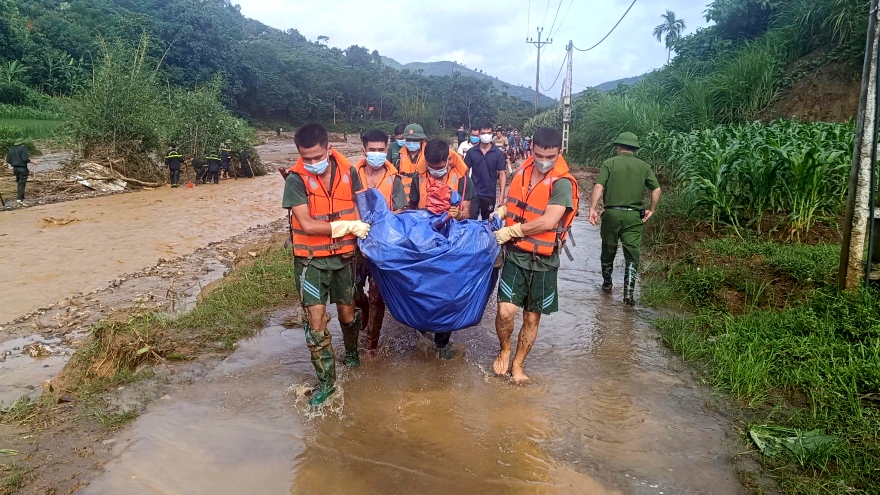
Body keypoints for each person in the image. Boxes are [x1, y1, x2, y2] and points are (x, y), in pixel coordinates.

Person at [283, 123, 371, 406]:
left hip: (344, 258)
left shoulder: (350, 172)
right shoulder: (295, 180)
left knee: (347, 314)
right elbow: (307, 223)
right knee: (316, 321)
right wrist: (345, 226)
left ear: (329, 150)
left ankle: (352, 353)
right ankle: (327, 384)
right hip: (310, 261)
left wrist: (362, 228)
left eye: (316, 157)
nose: (311, 164)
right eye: (305, 158)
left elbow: (362, 210)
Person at [492, 126, 579, 383]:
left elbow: (549, 220)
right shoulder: (524, 170)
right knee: (505, 311)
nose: (544, 161)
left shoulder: (563, 183)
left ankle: (518, 364)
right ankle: (505, 348)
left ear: (559, 153)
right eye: (540, 155)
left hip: (543, 259)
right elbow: (517, 203)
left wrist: (513, 230)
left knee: (531, 317)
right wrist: (503, 211)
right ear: (532, 149)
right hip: (516, 254)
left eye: (550, 157)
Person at [408, 139, 476, 359]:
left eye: (440, 166)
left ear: (448, 159)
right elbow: (412, 209)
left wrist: (459, 213)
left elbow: (468, 213)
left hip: (452, 245)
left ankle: (442, 342)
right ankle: (422, 330)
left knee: (448, 293)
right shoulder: (419, 179)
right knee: (422, 288)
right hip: (425, 243)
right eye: (432, 167)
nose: (436, 171)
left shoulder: (463, 180)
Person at [589, 132, 661, 306]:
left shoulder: (610, 163)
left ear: (618, 147)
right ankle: (628, 295)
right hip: (633, 217)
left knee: (608, 250)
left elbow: (599, 186)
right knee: (632, 254)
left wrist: (592, 208)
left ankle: (607, 285)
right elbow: (656, 190)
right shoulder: (644, 166)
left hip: (612, 215)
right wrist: (651, 209)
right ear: (635, 149)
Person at [352, 129, 408, 352]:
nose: (377, 154)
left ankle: (371, 345)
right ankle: (362, 308)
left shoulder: (394, 179)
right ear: (364, 150)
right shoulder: (350, 174)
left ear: (387, 150)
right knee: (353, 291)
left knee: (378, 296)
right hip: (354, 243)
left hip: (382, 246)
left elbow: (402, 211)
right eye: (372, 150)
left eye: (381, 150)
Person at [464, 125, 507, 220]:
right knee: (471, 221)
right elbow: (464, 172)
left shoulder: (497, 153)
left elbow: (502, 174)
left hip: (489, 194)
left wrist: (502, 194)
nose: (486, 135)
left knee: (487, 222)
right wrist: (464, 193)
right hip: (474, 193)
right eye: (483, 133)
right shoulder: (471, 152)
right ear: (479, 134)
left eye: (488, 133)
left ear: (492, 134)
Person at [397, 123, 428, 198]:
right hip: (404, 199)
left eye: (415, 140)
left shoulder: (429, 155)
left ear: (421, 140)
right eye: (409, 139)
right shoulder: (398, 157)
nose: (411, 142)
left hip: (423, 196)